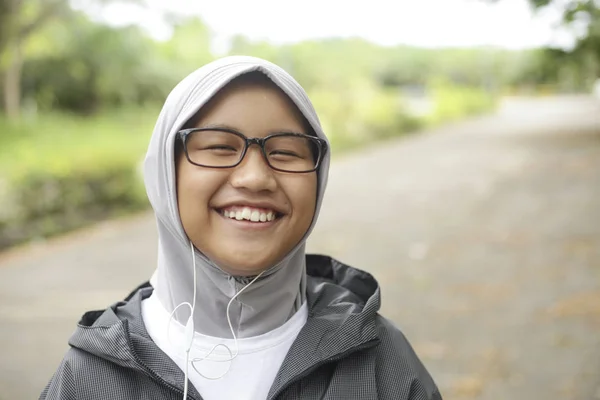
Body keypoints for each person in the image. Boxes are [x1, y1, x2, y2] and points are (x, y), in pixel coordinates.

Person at [40, 56, 443, 400]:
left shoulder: (379, 364)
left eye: (285, 152)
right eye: (218, 147)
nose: (254, 177)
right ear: (165, 171)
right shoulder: (91, 377)